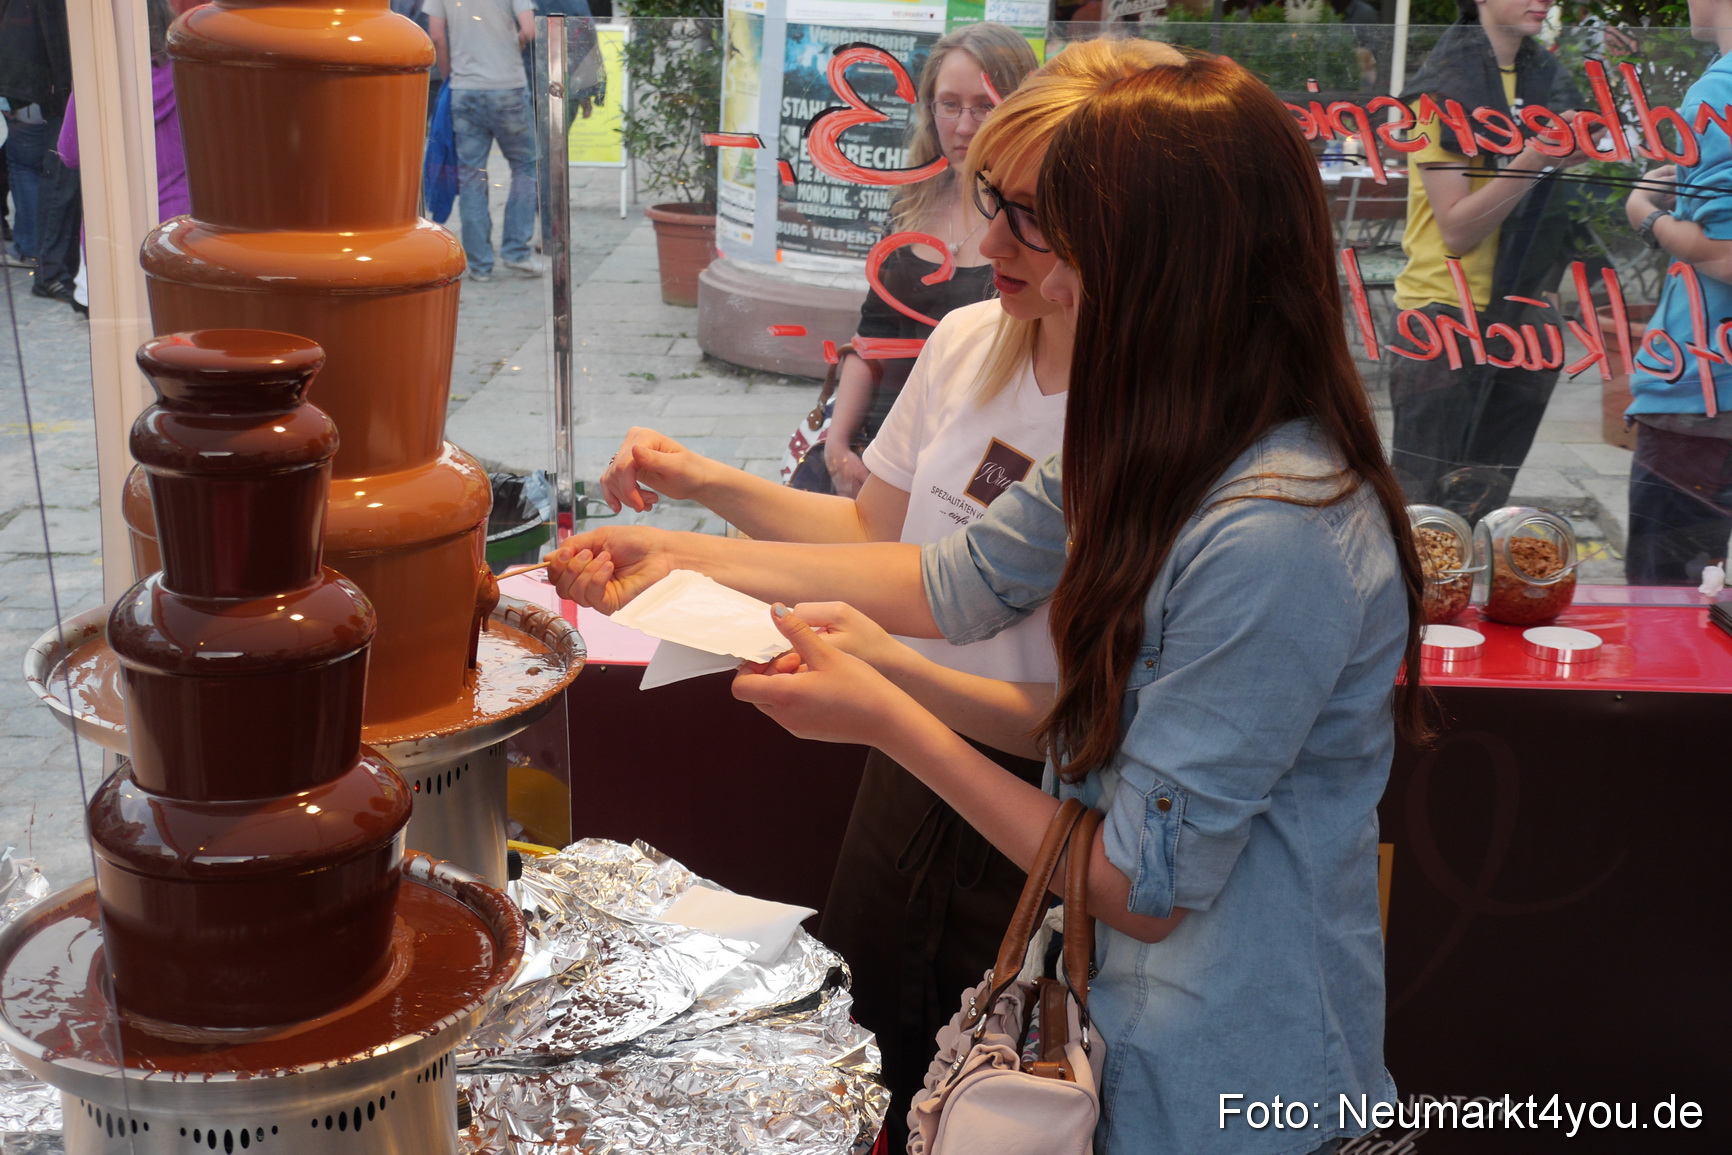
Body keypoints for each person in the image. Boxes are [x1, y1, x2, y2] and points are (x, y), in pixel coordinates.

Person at [548, 46, 1425, 1155]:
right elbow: (952, 582)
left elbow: (1139, 887)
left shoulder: (1275, 532)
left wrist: (888, 713)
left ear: (1175, 264)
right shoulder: (1141, 437)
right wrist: (686, 559)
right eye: (998, 207)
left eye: (1051, 232)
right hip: (1111, 1032)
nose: (1018, 263)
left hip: (1227, 1078)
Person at [597, 40, 1177, 1142]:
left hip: (1037, 800)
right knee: (868, 1065)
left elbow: (1048, 695)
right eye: (989, 198)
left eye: (1030, 215)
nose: (987, 238)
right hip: (903, 768)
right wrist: (703, 491)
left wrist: (699, 562)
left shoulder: (1151, 430)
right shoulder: (967, 341)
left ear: (1126, 225)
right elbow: (884, 541)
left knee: (998, 1100)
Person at [818, 23, 1038, 497]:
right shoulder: (910, 202)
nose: (964, 126)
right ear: (929, 108)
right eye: (949, 104)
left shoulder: (1037, 220)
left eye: (984, 106)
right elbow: (874, 333)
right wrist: (837, 445)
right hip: (879, 445)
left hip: (970, 464)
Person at [1387, 0, 1587, 521]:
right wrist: (1537, 155)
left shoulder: (1547, 77)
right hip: (1443, 313)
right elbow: (1457, 229)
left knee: (1481, 504)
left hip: (1521, 311)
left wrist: (1574, 150)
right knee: (1423, 515)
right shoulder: (1442, 89)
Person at [1620, 1, 1732, 585]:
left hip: (1704, 397)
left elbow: (1727, 254)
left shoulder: (1720, 89)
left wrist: (1645, 213)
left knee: (1665, 605)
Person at [425, 0, 544, 283]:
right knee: (525, 167)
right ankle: (516, 252)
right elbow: (530, 29)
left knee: (471, 175)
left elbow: (436, 36)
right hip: (508, 88)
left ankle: (480, 264)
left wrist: (450, 76)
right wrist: (511, 46)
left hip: (465, 88)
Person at [0, 0, 79, 300]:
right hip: (42, 90)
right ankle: (44, 262)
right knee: (51, 175)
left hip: (32, 89)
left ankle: (33, 250)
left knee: (33, 169)